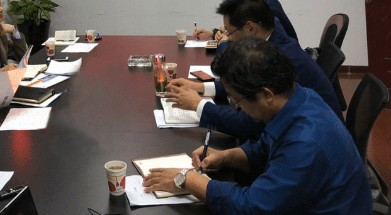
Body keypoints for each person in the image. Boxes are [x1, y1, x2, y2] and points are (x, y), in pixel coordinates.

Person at [142, 38, 372, 214]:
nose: (236, 106)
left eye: (237, 101)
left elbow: (251, 207)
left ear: (266, 95)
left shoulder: (305, 144)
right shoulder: (301, 98)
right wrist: (226, 157)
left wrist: (187, 179)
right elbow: (266, 149)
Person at [166, 0, 342, 140]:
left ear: (250, 28)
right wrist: (199, 87)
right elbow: (247, 88)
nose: (229, 39)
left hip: (317, 140)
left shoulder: (277, 58)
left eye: (230, 33)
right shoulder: (272, 39)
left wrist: (199, 105)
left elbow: (249, 125)